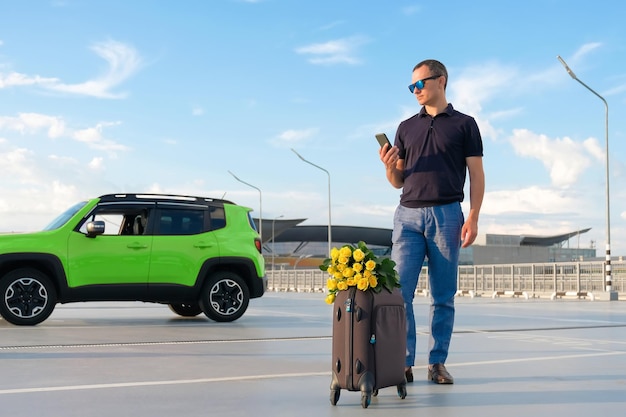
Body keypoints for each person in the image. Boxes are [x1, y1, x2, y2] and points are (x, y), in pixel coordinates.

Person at [379, 59, 485, 385]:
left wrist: (474, 216)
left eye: (420, 84)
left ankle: (437, 363)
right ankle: (403, 363)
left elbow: (476, 175)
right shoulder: (406, 127)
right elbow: (398, 181)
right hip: (407, 215)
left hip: (447, 215)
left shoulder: (465, 125)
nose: (416, 91)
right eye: (412, 86)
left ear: (440, 81)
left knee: (442, 296)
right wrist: (388, 166)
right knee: (399, 293)